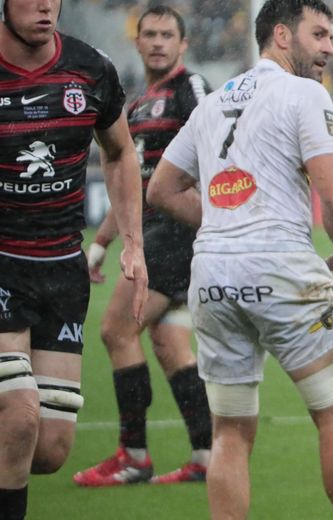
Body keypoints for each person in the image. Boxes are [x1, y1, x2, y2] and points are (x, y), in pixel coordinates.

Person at [145, 1, 333, 518]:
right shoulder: (303, 93)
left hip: (213, 277)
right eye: (321, 34)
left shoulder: (215, 99)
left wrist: (226, 224)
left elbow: (160, 188)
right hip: (282, 269)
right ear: (283, 36)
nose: (330, 48)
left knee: (230, 431)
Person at [0, 0, 148, 518]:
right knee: (17, 416)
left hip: (63, 271)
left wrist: (132, 242)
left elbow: (120, 151)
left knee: (48, 449)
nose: (44, 5)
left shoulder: (91, 70)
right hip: (3, 262)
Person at [71, 5, 212, 488]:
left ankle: (134, 455)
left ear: (183, 44)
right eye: (149, 34)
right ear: (137, 42)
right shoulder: (134, 105)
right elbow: (132, 183)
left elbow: (217, 150)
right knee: (170, 343)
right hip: (152, 233)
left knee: (116, 331)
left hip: (178, 234)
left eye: (167, 34)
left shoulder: (189, 88)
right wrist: (103, 243)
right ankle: (206, 456)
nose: (157, 42)